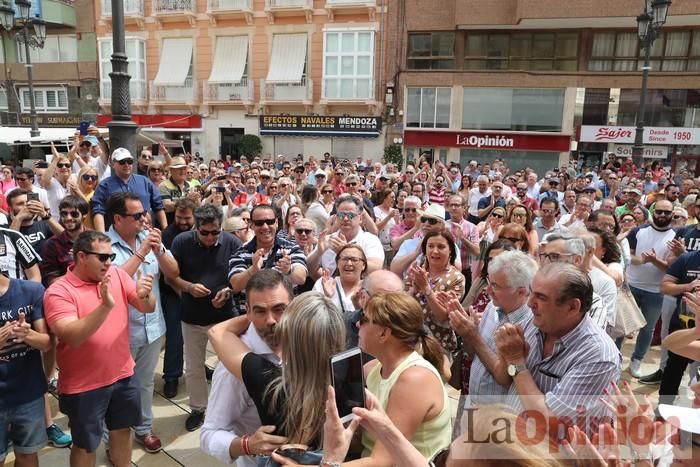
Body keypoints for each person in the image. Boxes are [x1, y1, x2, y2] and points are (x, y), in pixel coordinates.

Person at [43, 230, 156, 467]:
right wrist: (105, 306)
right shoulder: (59, 291)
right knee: (86, 444)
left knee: (121, 430)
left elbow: (146, 307)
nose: (109, 263)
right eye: (102, 257)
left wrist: (146, 295)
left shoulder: (116, 274)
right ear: (81, 256)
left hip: (123, 375)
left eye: (111, 257)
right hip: (83, 387)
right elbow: (72, 336)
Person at [209, 292, 346, 450]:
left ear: (290, 337)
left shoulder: (268, 381)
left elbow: (217, 332)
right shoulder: (350, 383)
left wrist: (255, 314)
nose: (273, 322)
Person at [495, 262, 621, 434]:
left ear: (572, 307)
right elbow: (505, 378)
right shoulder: (534, 323)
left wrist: (516, 361)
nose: (530, 303)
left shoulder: (599, 356)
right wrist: (507, 355)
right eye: (531, 292)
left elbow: (550, 421)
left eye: (541, 297)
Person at [105, 192, 180, 453]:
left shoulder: (149, 239)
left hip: (152, 327)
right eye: (137, 215)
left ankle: (144, 429)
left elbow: (173, 272)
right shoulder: (103, 245)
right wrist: (142, 251)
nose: (144, 219)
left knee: (145, 383)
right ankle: (111, 438)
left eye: (144, 213)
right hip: (119, 333)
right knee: (115, 388)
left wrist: (158, 249)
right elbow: (112, 283)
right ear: (118, 218)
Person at [200, 270, 292, 465]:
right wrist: (247, 445)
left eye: (279, 309)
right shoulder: (232, 368)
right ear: (247, 311)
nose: (270, 320)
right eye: (260, 311)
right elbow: (209, 434)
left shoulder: (301, 340)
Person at [351, 292, 452, 464]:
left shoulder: (414, 380)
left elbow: (381, 462)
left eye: (364, 318)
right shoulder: (373, 369)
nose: (357, 323)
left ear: (384, 334)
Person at [169, 204, 242, 431]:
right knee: (193, 367)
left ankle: (228, 408)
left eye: (215, 232)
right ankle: (198, 408)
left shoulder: (232, 243)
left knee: (229, 365)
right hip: (191, 316)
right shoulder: (181, 242)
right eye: (205, 232)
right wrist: (189, 287)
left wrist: (229, 290)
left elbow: (241, 278)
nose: (210, 237)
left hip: (224, 317)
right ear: (196, 228)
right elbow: (171, 278)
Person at [449, 250, 537, 405]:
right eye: (489, 282)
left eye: (495, 286)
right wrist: (467, 332)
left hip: (497, 417)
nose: (487, 291)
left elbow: (505, 378)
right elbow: (473, 354)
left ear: (521, 292)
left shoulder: (531, 326)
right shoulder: (492, 306)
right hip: (472, 402)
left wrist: (473, 336)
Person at [0, 274, 52, 467]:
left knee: (28, 456)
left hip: (28, 394)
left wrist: (28, 334)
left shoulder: (31, 291)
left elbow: (47, 343)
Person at [626, 200, 676, 378]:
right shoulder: (638, 231)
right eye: (659, 211)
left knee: (648, 329)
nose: (662, 215)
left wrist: (654, 261)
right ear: (653, 212)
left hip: (656, 291)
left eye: (667, 212)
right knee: (622, 326)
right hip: (631, 285)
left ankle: (636, 360)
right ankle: (615, 358)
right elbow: (628, 255)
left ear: (672, 214)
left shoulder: (676, 236)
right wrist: (640, 260)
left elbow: (671, 267)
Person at [159, 197, 197, 399]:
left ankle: (196, 368)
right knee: (176, 335)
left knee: (198, 336)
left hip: (195, 290)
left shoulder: (199, 231)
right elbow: (168, 274)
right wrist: (184, 294)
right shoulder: (168, 235)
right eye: (179, 217)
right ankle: (172, 376)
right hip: (173, 292)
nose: (182, 222)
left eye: (187, 218)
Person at [405, 231, 465, 357]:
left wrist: (426, 289)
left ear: (450, 251)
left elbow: (443, 316)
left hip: (439, 347)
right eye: (430, 246)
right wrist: (414, 290)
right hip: (410, 341)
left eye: (441, 247)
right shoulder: (416, 271)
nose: (435, 251)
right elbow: (401, 305)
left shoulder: (456, 278)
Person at [229, 204, 307, 293]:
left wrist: (289, 270)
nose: (265, 227)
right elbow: (235, 285)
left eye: (270, 222)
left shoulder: (292, 249)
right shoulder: (240, 253)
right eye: (259, 223)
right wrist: (253, 270)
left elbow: (301, 278)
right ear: (252, 225)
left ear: (276, 223)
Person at [91, 147, 167, 232]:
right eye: (122, 162)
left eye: (129, 161)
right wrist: (102, 236)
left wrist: (165, 230)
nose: (126, 165)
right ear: (112, 164)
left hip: (144, 232)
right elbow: (98, 211)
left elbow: (159, 207)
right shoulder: (104, 185)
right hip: (117, 235)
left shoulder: (145, 181)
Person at [309, 196, 384, 275]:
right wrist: (318, 253)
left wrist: (345, 252)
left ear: (360, 219)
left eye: (350, 215)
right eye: (341, 215)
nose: (345, 219)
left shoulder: (370, 240)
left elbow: (376, 268)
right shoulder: (327, 240)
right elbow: (309, 269)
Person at [40, 196, 88, 287]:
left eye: (74, 214)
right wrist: (77, 266)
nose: (68, 218)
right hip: (68, 291)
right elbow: (52, 282)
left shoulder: (95, 239)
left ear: (84, 215)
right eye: (64, 214)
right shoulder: (52, 244)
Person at [4, 188, 62, 255]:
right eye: (20, 204)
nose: (26, 206)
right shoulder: (4, 229)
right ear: (10, 209)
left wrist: (44, 214)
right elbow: (10, 248)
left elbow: (66, 237)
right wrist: (18, 219)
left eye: (28, 202)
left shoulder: (44, 225)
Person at [315, 244, 366, 315]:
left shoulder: (370, 289)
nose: (349, 263)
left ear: (363, 265)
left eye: (354, 260)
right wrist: (327, 298)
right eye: (345, 259)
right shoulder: (322, 283)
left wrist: (358, 306)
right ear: (337, 263)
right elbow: (312, 317)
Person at [159, 156, 191, 225]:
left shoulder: (190, 185)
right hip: (172, 224)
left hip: (190, 225)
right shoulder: (164, 185)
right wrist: (188, 200)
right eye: (179, 169)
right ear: (171, 170)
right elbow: (167, 206)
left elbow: (197, 207)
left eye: (184, 168)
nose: (183, 171)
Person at [373, 189, 399, 265]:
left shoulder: (394, 210)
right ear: (385, 198)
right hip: (380, 246)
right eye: (392, 197)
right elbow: (377, 228)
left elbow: (398, 229)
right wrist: (389, 217)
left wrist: (397, 221)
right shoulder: (376, 210)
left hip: (392, 247)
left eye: (394, 197)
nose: (394, 199)